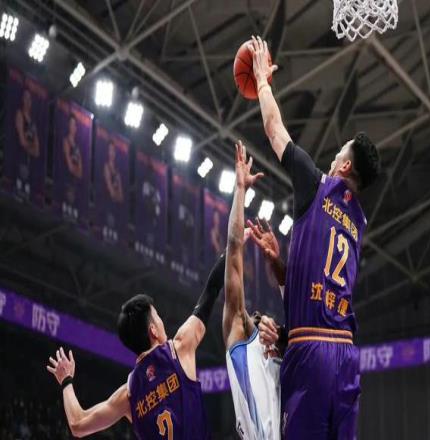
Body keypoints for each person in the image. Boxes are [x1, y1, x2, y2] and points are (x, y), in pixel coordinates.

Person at [249, 36, 381, 439]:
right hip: (345, 355)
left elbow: (274, 129)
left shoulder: (317, 185)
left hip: (312, 353)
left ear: (344, 167)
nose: (334, 155)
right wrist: (279, 265)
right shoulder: (357, 223)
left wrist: (261, 81)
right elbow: (317, 284)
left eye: (340, 151)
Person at [46, 253, 227, 439]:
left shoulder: (129, 394)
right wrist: (231, 248)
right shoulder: (179, 349)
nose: (162, 322)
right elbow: (211, 291)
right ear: (153, 330)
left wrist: (66, 381)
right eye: (158, 317)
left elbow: (77, 424)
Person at [222, 141, 286, 440]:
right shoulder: (240, 342)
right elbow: (234, 248)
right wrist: (239, 191)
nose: (261, 318)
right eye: (257, 318)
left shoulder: (281, 360)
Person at [63, 113, 83, 180]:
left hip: (75, 182)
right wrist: (76, 169)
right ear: (68, 126)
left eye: (74, 124)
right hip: (66, 180)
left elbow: (81, 173)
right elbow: (70, 167)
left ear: (76, 127)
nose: (73, 127)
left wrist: (76, 170)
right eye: (71, 124)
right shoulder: (66, 141)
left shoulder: (77, 147)